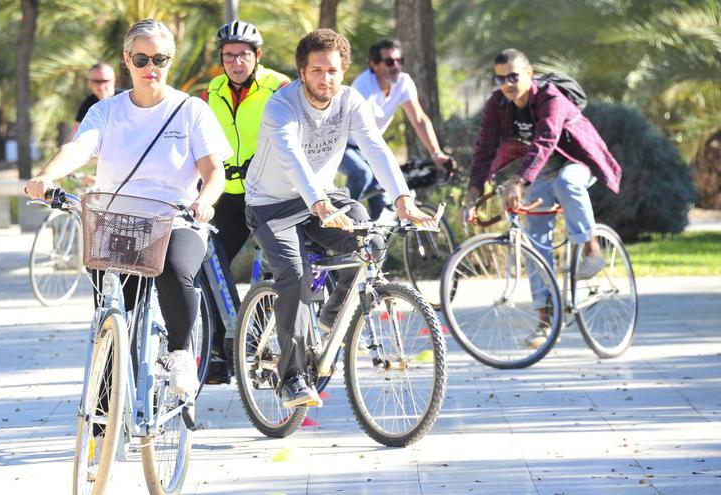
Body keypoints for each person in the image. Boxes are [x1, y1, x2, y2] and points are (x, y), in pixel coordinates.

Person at [25, 19, 232, 396]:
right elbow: (79, 147)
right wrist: (46, 177)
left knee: (173, 268)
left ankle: (180, 353)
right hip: (117, 222)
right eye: (141, 59)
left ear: (170, 61)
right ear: (126, 60)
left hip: (176, 219)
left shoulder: (191, 111)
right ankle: (103, 419)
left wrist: (205, 200)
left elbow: (213, 170)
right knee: (112, 317)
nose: (151, 68)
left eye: (160, 59)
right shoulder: (107, 111)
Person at [244, 29, 437, 408]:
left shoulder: (350, 102)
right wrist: (318, 204)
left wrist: (403, 199)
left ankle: (333, 317)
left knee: (372, 241)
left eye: (332, 71)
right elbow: (291, 157)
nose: (325, 79)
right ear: (302, 72)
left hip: (322, 197)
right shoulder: (281, 106)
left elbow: (376, 150)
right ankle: (293, 377)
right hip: (272, 204)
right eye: (316, 70)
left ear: (343, 71)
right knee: (294, 276)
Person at [463, 48, 622, 348]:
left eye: (513, 76)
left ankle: (592, 249)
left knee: (567, 183)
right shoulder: (498, 104)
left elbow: (546, 139)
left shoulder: (549, 96)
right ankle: (545, 321)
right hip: (543, 170)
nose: (507, 84)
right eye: (500, 79)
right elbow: (484, 148)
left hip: (578, 160)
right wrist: (473, 194)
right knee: (536, 243)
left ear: (529, 73)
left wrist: (519, 180)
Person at [200, 20, 290, 382]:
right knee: (204, 264)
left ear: (258, 56)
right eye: (229, 56)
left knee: (281, 273)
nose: (236, 62)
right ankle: (231, 344)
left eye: (243, 55)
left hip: (270, 195)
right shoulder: (212, 92)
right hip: (229, 197)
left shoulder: (279, 87)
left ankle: (275, 344)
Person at [341, 38, 451, 219]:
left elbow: (419, 120)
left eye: (400, 61)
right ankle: (336, 222)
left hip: (367, 145)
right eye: (390, 62)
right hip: (343, 143)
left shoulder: (403, 82)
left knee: (383, 194)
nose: (396, 66)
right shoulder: (363, 87)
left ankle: (375, 239)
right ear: (374, 65)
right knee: (363, 173)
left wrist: (436, 153)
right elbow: (362, 131)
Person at [66, 63, 121, 143]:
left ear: (114, 80)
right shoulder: (88, 104)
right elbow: (74, 134)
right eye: (96, 81)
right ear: (90, 83)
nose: (101, 86)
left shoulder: (127, 99)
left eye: (105, 81)